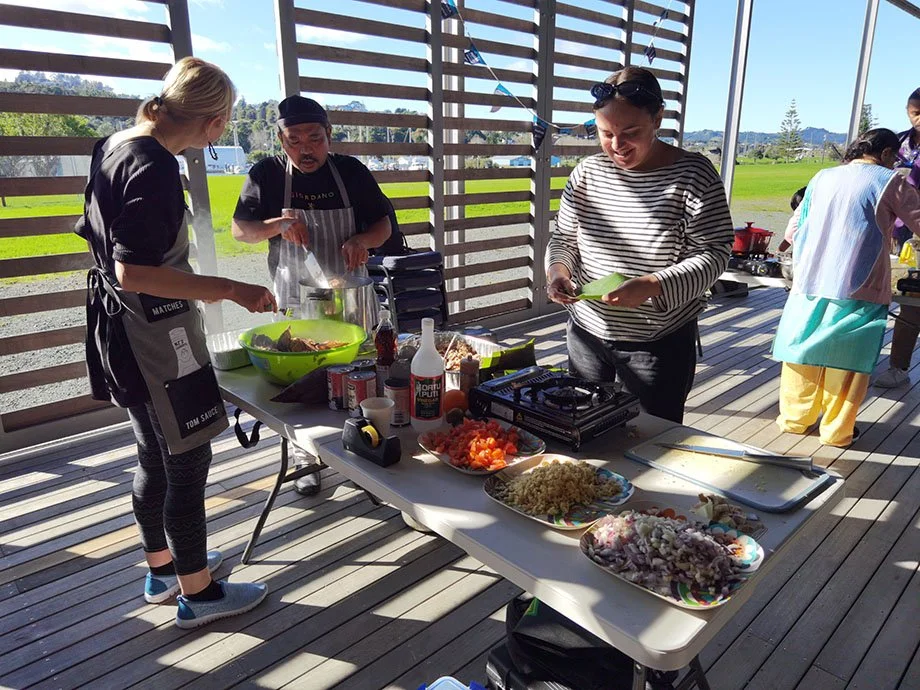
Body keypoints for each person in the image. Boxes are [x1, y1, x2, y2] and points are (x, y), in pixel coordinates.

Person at [76, 57, 273, 628]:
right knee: (188, 456)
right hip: (152, 337)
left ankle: (163, 570)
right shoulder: (156, 165)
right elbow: (134, 270)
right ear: (215, 122)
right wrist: (230, 288)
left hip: (120, 331)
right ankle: (199, 594)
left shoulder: (114, 144)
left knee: (154, 455)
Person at [545, 66, 733, 423]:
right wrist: (558, 272)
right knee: (583, 427)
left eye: (631, 133)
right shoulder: (586, 173)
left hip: (658, 341)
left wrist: (652, 285)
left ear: (657, 118)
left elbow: (714, 253)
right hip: (587, 333)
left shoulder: (693, 175)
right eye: (606, 134)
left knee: (651, 436)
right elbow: (565, 238)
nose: (617, 146)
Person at [231, 95, 396, 495]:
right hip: (295, 296)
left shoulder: (351, 172)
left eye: (315, 138)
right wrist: (277, 225)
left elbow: (384, 225)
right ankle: (305, 455)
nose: (306, 149)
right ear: (281, 139)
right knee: (300, 382)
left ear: (329, 135)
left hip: (351, 294)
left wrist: (363, 240)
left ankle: (362, 446)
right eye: (295, 140)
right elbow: (241, 230)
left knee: (360, 374)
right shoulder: (266, 174)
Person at [772, 128, 920, 446]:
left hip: (809, 279)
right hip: (859, 281)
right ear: (885, 153)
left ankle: (795, 420)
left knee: (801, 351)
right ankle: (836, 431)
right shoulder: (890, 181)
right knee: (848, 360)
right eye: (894, 157)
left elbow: (794, 229)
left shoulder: (822, 177)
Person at [875, 88, 920, 388]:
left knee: (913, 300)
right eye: (914, 112)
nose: (918, 119)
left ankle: (898, 366)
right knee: (889, 292)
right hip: (893, 230)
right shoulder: (898, 144)